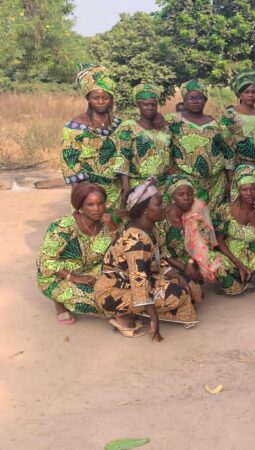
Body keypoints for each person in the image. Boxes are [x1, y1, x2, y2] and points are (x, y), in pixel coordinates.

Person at [95, 179, 199, 340]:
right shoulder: (137, 239)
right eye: (158, 204)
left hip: (136, 280)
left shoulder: (151, 229)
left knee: (193, 287)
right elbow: (139, 282)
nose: (163, 207)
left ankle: (142, 311)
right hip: (114, 291)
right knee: (177, 295)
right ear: (145, 210)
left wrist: (179, 277)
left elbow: (159, 260)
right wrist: (153, 317)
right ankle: (122, 315)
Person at [37, 183, 117, 324]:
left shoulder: (107, 222)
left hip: (93, 269)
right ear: (80, 206)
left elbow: (118, 251)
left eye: (100, 203)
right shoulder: (63, 226)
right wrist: (73, 277)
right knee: (101, 302)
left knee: (122, 290)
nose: (97, 209)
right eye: (90, 205)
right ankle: (59, 302)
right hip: (58, 275)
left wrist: (112, 228)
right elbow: (45, 261)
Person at [155, 176, 247, 295]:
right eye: (181, 194)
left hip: (196, 256)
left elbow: (203, 243)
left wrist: (191, 262)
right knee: (186, 294)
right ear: (172, 196)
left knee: (227, 275)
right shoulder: (162, 219)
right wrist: (184, 267)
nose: (186, 198)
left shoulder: (196, 212)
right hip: (173, 263)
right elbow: (163, 253)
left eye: (189, 193)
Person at [60, 65, 126, 213]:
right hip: (88, 193)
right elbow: (70, 163)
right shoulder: (75, 127)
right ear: (88, 99)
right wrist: (78, 197)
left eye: (105, 98)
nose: (101, 102)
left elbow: (125, 157)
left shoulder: (119, 125)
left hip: (115, 191)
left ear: (111, 99)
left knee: (114, 230)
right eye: (96, 98)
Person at [165, 79, 235, 212]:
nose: (196, 102)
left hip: (216, 185)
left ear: (205, 100)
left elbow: (229, 152)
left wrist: (230, 180)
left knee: (212, 222)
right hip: (186, 184)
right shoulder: (172, 121)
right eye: (191, 98)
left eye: (200, 98)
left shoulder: (217, 124)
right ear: (184, 100)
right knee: (189, 221)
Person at [213, 165, 255, 294]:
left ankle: (248, 276)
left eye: (254, 189)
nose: (249, 193)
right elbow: (219, 242)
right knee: (231, 285)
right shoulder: (225, 210)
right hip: (230, 256)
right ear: (238, 190)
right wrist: (238, 264)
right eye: (244, 189)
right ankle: (238, 277)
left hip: (252, 256)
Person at [116, 83, 172, 200]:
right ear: (138, 105)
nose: (150, 108)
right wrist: (127, 190)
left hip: (163, 186)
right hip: (138, 187)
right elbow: (122, 160)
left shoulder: (165, 129)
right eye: (145, 104)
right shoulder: (128, 128)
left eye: (153, 104)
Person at [221, 70, 255, 168]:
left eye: (254, 92)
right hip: (239, 167)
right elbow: (226, 145)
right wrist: (230, 173)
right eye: (246, 92)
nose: (250, 95)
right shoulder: (230, 115)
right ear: (240, 94)